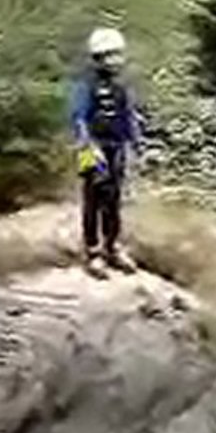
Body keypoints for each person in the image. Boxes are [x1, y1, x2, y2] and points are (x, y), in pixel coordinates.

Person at [70, 26, 146, 278]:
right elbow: (79, 118)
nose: (117, 60)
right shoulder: (86, 85)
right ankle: (93, 252)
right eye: (112, 55)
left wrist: (136, 145)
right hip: (90, 147)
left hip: (116, 147)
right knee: (93, 199)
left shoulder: (121, 86)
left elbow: (129, 117)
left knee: (113, 200)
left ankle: (112, 247)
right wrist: (90, 147)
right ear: (99, 57)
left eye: (119, 55)